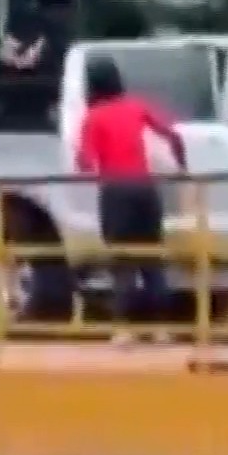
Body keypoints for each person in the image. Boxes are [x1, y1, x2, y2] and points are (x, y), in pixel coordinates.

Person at [73, 56, 185, 344]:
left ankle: (124, 329)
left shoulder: (93, 116)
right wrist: (182, 167)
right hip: (145, 189)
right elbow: (172, 134)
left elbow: (86, 163)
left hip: (116, 191)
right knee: (151, 258)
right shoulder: (136, 105)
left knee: (121, 261)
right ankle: (161, 328)